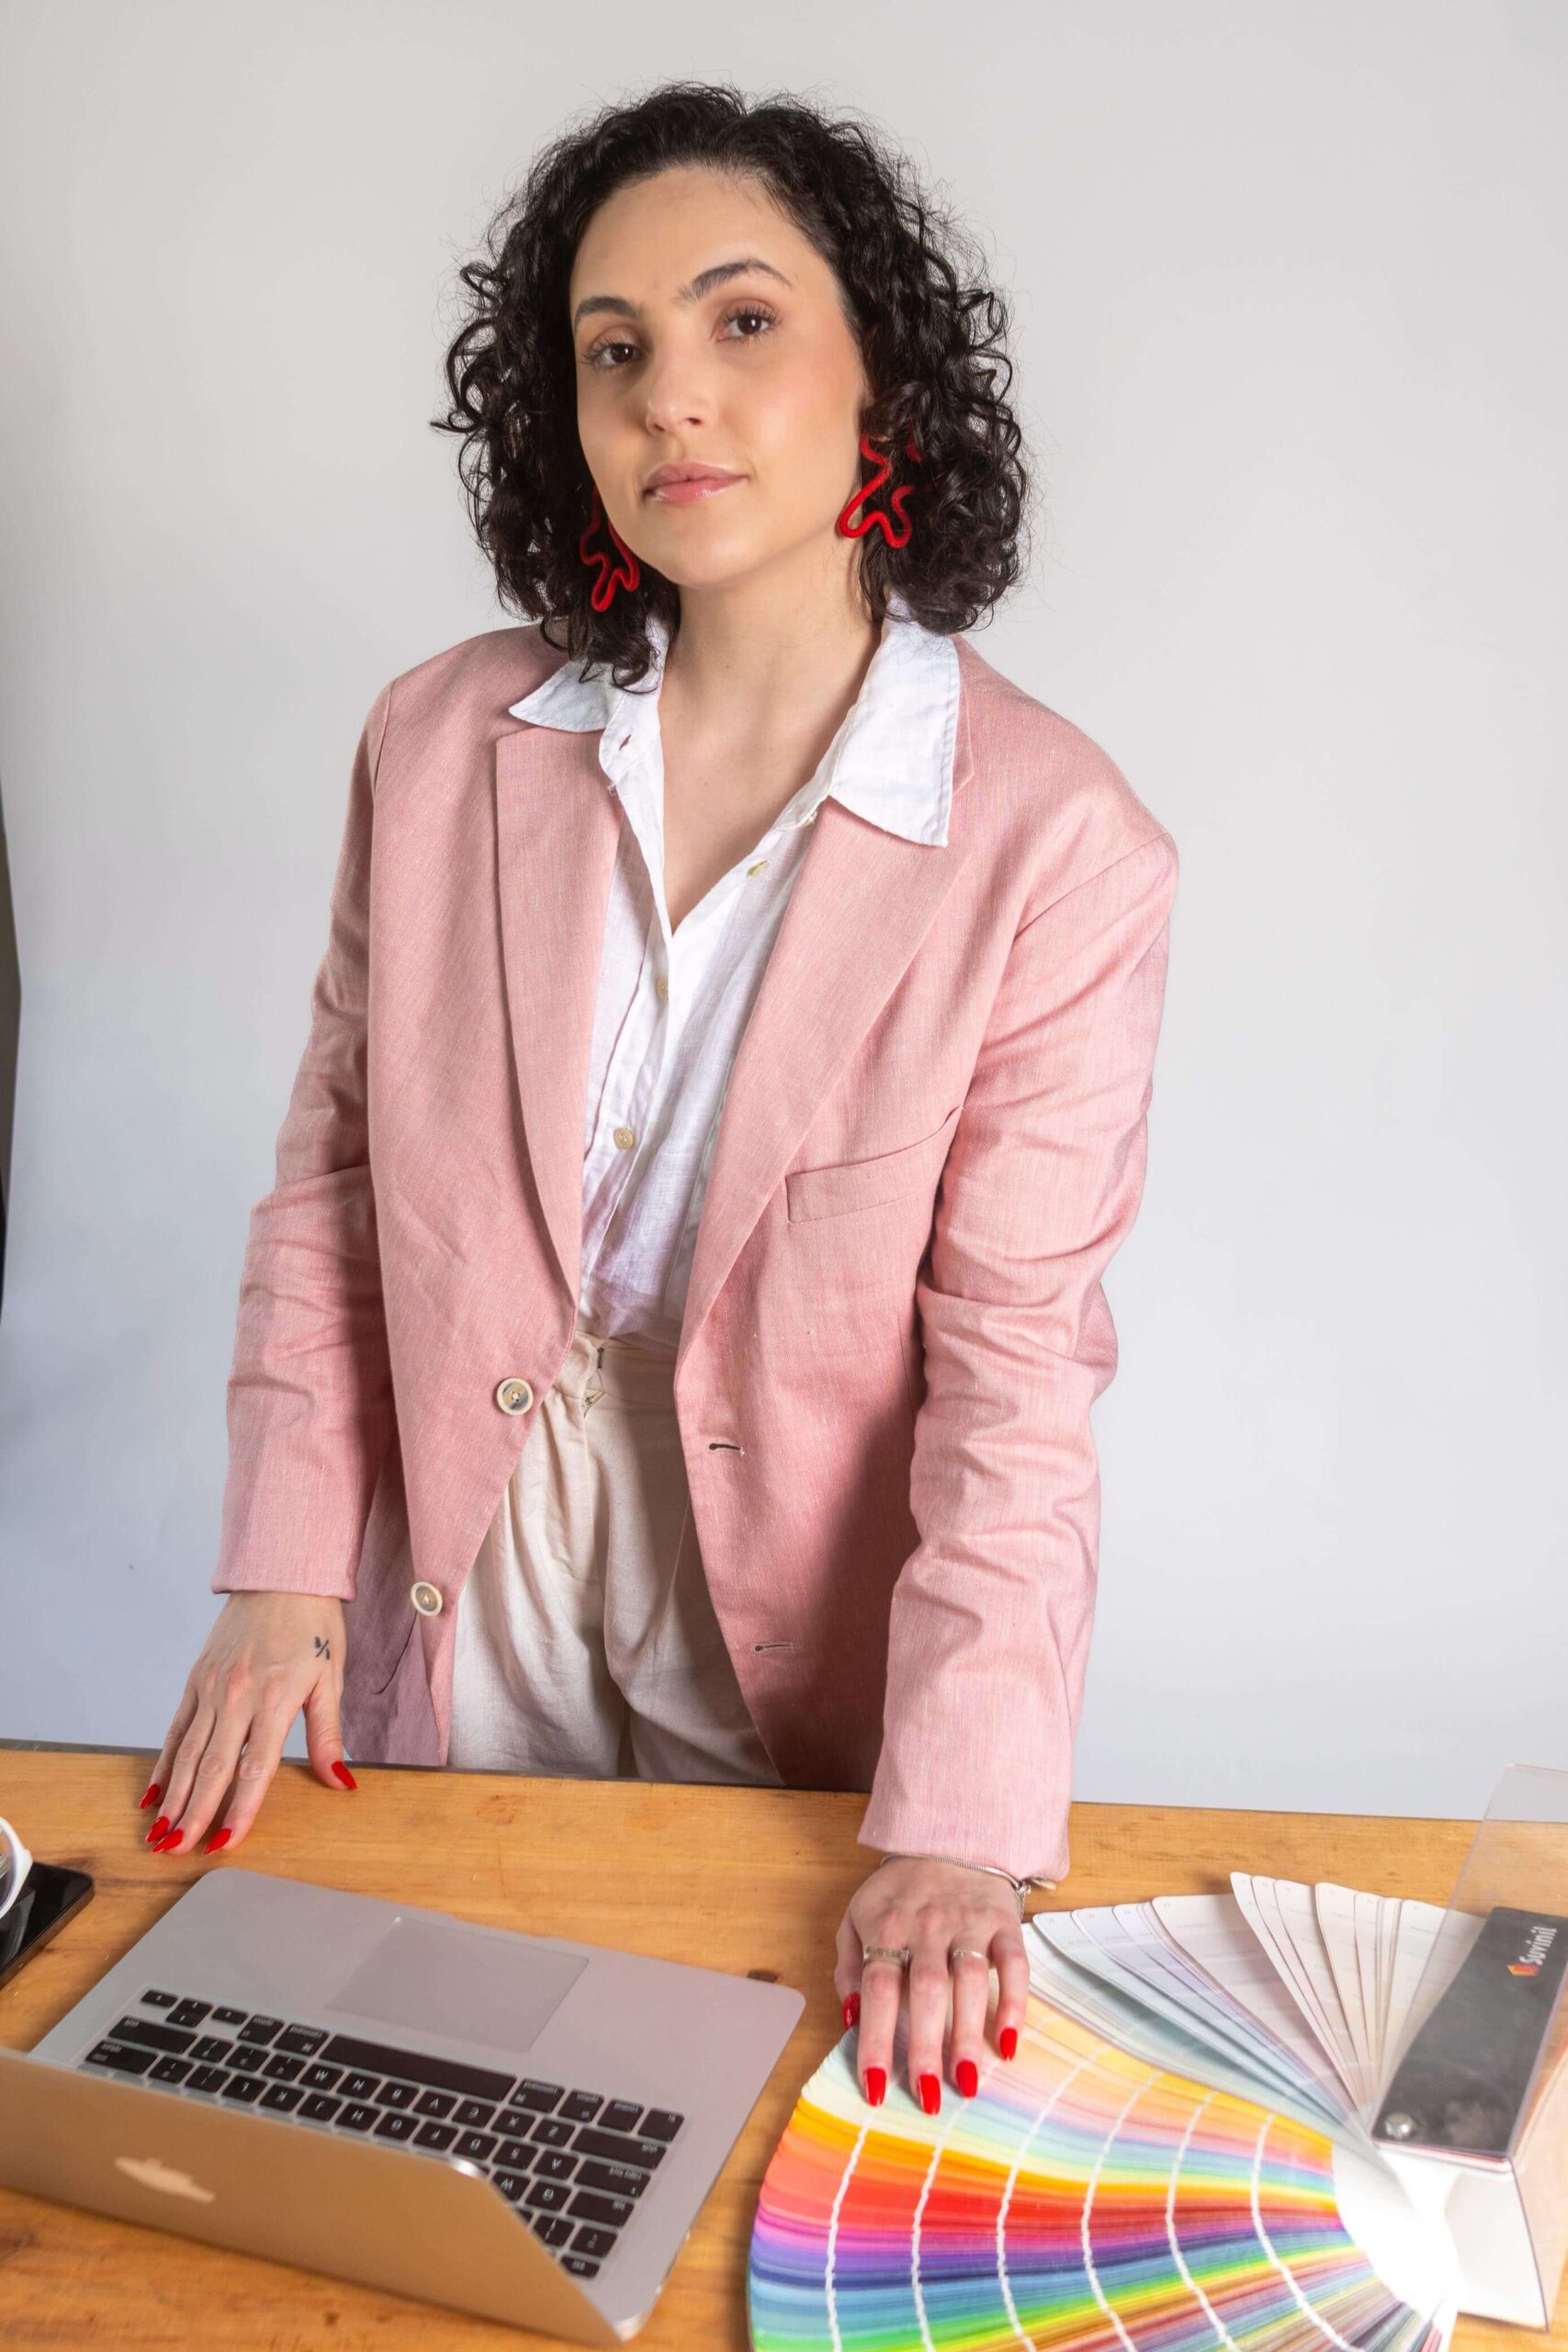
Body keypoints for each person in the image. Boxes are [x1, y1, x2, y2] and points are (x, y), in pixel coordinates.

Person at [140, 83, 1179, 2120]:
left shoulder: (1054, 844)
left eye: (741, 323)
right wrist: (279, 1567)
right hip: (465, 1536)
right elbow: (333, 1183)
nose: (667, 400)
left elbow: (1015, 1365)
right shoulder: (439, 741)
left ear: (881, 377)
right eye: (610, 348)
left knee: (749, 2101)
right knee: (436, 2087)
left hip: (779, 1574)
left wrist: (960, 1821)